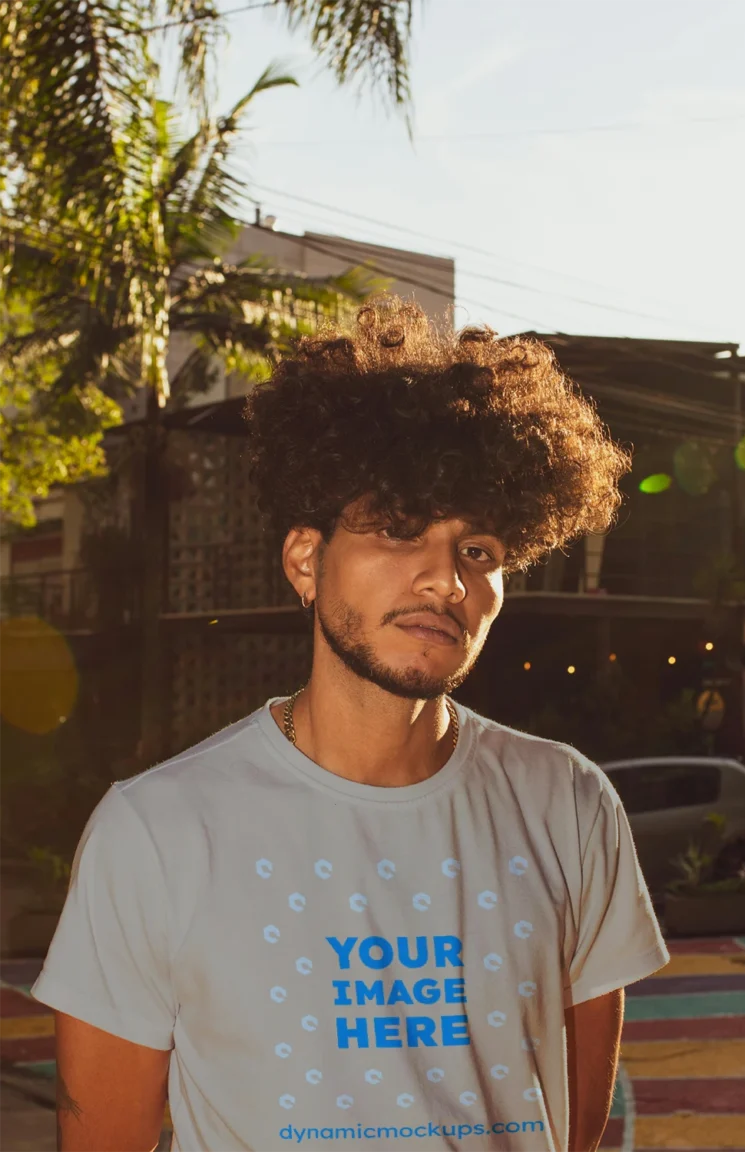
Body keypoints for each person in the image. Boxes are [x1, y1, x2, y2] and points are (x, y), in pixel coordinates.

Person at [32, 296, 669, 1151]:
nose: (446, 578)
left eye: (477, 551)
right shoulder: (157, 831)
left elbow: (572, 1123)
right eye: (400, 531)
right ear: (306, 560)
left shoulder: (569, 802)